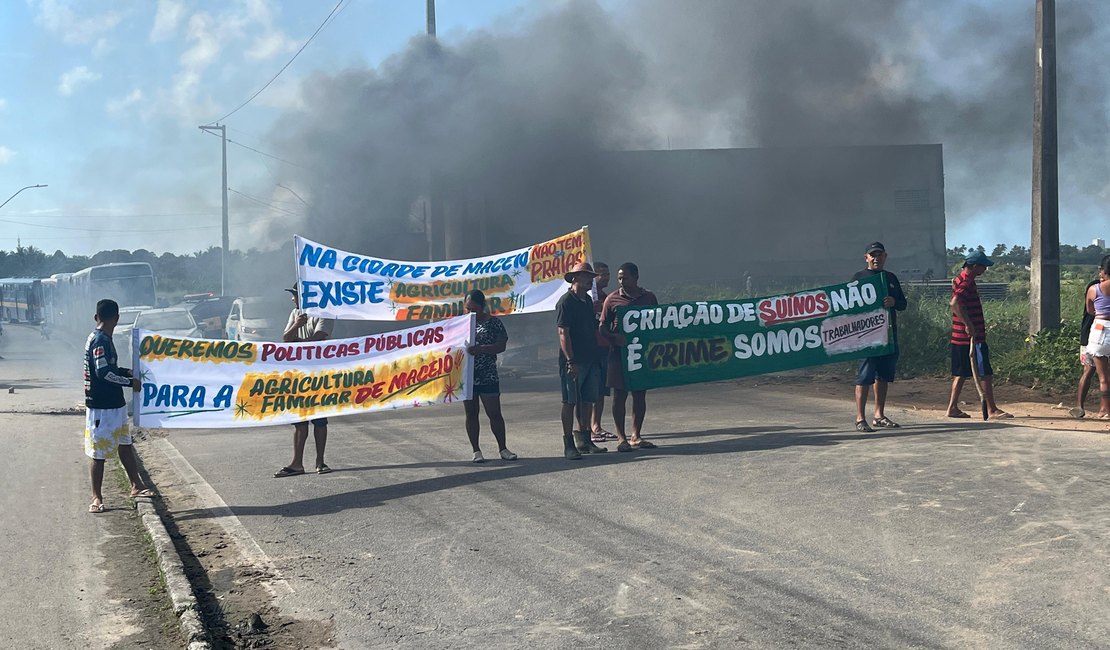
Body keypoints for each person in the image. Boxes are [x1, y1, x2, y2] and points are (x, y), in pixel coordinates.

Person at [84, 299, 155, 513]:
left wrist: (126, 372)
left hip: (115, 404)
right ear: (116, 318)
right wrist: (128, 382)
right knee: (99, 453)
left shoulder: (101, 338)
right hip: (102, 405)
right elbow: (103, 373)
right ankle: (96, 497)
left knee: (125, 443)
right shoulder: (100, 341)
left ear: (97, 317)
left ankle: (136, 485)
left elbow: (110, 368)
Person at [274, 284, 337, 477]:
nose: (293, 299)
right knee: (299, 419)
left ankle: (320, 461)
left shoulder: (324, 313)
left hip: (318, 373)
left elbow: (318, 339)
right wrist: (297, 326)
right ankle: (297, 463)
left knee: (319, 419)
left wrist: (297, 343)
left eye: (295, 295)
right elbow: (286, 338)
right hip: (299, 373)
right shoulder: (296, 314)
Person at [945, 250, 1011, 419]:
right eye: (983, 266)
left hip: (960, 337)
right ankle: (992, 409)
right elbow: (955, 303)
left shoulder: (962, 279)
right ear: (974, 266)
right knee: (985, 373)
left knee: (960, 374)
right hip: (971, 338)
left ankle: (952, 407)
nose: (984, 270)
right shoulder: (966, 282)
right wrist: (969, 325)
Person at [600, 262, 659, 452]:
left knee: (640, 394)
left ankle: (636, 435)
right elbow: (602, 327)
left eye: (624, 277)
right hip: (619, 355)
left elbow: (659, 322)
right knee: (619, 395)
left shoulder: (649, 297)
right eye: (619, 278)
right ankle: (621, 438)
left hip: (641, 354)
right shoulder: (612, 300)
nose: (621, 281)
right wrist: (614, 338)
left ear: (636, 277)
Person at [851, 242, 908, 432]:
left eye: (879, 254)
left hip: (888, 336)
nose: (876, 258)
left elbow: (903, 304)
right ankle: (860, 418)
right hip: (866, 337)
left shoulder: (890, 278)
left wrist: (894, 302)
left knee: (883, 377)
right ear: (866, 257)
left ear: (885, 256)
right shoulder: (859, 278)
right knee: (864, 377)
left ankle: (879, 415)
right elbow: (849, 307)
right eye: (872, 255)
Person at [555, 262, 608, 459]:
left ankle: (585, 439)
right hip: (574, 360)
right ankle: (569, 444)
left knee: (587, 400)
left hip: (591, 357)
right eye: (586, 276)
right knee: (570, 401)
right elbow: (563, 333)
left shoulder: (586, 300)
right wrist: (570, 361)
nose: (590, 280)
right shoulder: (566, 302)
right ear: (575, 278)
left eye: (590, 277)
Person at [463, 290, 517, 462]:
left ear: (482, 307)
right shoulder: (461, 324)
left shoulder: (494, 323)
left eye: (474, 309)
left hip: (487, 375)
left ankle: (503, 449)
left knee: (494, 413)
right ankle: (476, 451)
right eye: (468, 309)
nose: (471, 313)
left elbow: (501, 346)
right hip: (467, 376)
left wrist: (482, 349)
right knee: (471, 413)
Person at [590, 262, 618, 443]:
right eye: (602, 274)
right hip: (591, 349)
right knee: (591, 390)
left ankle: (596, 425)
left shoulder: (606, 298)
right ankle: (588, 428)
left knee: (601, 390)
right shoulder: (589, 299)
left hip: (604, 348)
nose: (607, 277)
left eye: (608, 274)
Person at [1082, 256, 1110, 419]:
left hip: (1101, 330)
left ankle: (1104, 410)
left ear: (1104, 271)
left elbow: (1090, 310)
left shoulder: (1094, 289)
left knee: (1103, 377)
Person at [1071, 274, 1101, 418]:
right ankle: (1103, 408)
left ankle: (1079, 406)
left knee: (1088, 371)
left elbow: (1090, 310)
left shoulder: (1093, 286)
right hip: (1098, 334)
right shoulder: (1102, 289)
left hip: (1087, 335)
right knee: (1104, 374)